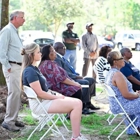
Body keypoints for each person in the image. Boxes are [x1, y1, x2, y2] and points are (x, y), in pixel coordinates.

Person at [21, 42, 88, 140]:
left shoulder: (34, 68)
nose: (41, 54)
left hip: (44, 101)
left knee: (77, 102)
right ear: (31, 55)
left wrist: (56, 94)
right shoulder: (30, 71)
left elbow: (44, 90)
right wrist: (57, 97)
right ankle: (76, 137)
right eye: (38, 52)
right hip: (40, 104)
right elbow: (40, 93)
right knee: (77, 104)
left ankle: (76, 136)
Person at [39, 45, 94, 115]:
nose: (55, 53)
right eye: (53, 51)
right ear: (48, 54)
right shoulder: (49, 64)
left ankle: (75, 111)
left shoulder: (45, 63)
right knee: (77, 89)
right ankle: (75, 111)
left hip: (53, 87)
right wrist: (75, 83)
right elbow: (61, 78)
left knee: (79, 86)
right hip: (56, 88)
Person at [54, 42, 100, 110]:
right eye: (63, 48)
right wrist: (76, 76)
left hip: (74, 76)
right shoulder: (57, 59)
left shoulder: (62, 57)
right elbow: (63, 72)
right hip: (69, 79)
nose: (65, 50)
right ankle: (83, 106)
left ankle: (88, 103)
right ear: (57, 49)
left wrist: (77, 75)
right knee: (85, 82)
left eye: (65, 48)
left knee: (91, 80)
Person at [0, 10, 25, 131]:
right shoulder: (7, 30)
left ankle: (13, 118)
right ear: (14, 18)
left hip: (17, 66)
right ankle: (8, 121)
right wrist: (7, 65)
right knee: (13, 93)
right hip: (12, 66)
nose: (24, 20)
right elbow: (1, 50)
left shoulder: (14, 31)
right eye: (22, 17)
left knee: (16, 93)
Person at [106, 51, 140, 135]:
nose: (123, 60)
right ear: (115, 61)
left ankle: (134, 128)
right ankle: (137, 128)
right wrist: (137, 95)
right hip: (123, 105)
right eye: (121, 58)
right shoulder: (117, 74)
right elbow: (126, 95)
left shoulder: (111, 72)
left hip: (117, 104)